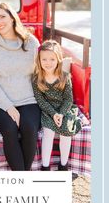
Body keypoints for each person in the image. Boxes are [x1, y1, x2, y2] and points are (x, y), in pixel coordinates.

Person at [0, 2, 41, 171]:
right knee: (10, 128)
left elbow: (40, 73)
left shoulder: (31, 42)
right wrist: (9, 107)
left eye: (3, 16)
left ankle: (22, 178)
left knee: (29, 127)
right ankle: (22, 179)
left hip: (28, 99)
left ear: (13, 18)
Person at [32, 40, 82, 171]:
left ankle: (63, 165)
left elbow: (68, 99)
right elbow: (40, 100)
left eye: (52, 59)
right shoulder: (36, 78)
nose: (48, 63)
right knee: (48, 133)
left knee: (66, 132)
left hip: (64, 109)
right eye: (44, 59)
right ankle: (45, 166)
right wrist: (53, 114)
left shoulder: (65, 77)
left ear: (58, 60)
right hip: (48, 111)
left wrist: (60, 113)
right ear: (39, 60)